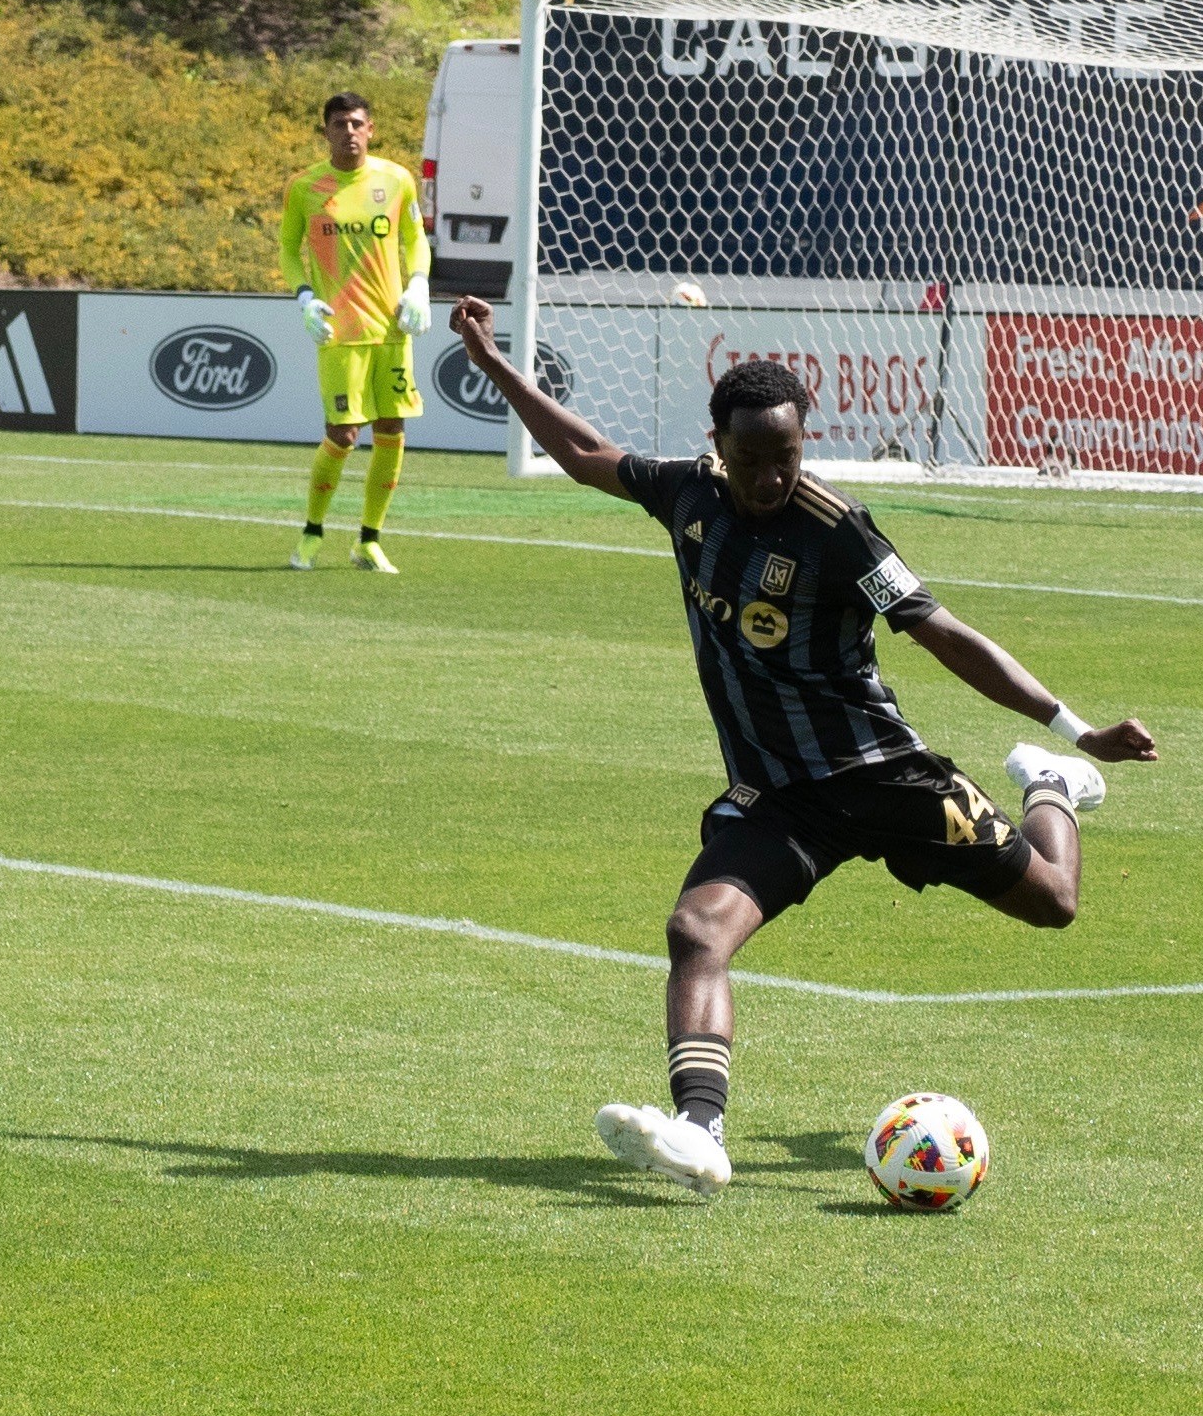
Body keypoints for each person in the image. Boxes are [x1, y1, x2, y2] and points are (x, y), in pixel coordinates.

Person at [452, 296, 1158, 1197]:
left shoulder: (838, 529)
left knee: (1053, 903)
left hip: (884, 776)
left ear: (801, 441)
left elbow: (945, 633)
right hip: (782, 794)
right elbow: (586, 455)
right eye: (750, 460)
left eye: (785, 456)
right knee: (695, 930)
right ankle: (699, 1131)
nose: (769, 477)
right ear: (717, 445)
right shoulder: (687, 494)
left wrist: (1071, 728)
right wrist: (493, 361)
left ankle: (1052, 787)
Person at [280, 92, 433, 574]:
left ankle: (369, 540)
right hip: (340, 333)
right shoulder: (305, 187)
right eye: (340, 123)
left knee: (392, 429)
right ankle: (312, 531)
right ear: (324, 130)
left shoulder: (397, 179)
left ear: (371, 129)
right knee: (343, 435)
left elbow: (416, 240)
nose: (349, 131)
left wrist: (420, 287)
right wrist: (304, 296)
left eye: (357, 123)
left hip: (391, 331)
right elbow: (287, 250)